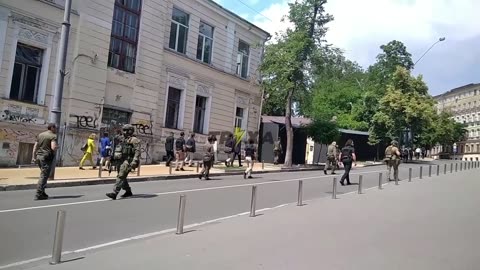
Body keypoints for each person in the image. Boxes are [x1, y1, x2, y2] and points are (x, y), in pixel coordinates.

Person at [106, 124, 141, 200]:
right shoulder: (121, 139)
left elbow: (137, 152)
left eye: (126, 130)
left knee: (121, 176)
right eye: (124, 130)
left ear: (130, 131)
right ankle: (128, 191)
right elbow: (116, 148)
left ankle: (114, 193)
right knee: (122, 177)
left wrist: (134, 162)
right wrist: (112, 158)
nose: (125, 132)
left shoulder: (134, 140)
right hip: (120, 160)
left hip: (128, 160)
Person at [32, 123, 57, 200]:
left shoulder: (40, 135)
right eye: (55, 127)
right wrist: (56, 147)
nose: (56, 129)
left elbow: (35, 146)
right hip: (46, 157)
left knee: (44, 174)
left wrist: (33, 157)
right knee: (44, 175)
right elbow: (53, 147)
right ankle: (39, 194)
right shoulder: (53, 136)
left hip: (39, 157)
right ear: (52, 128)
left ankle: (42, 192)